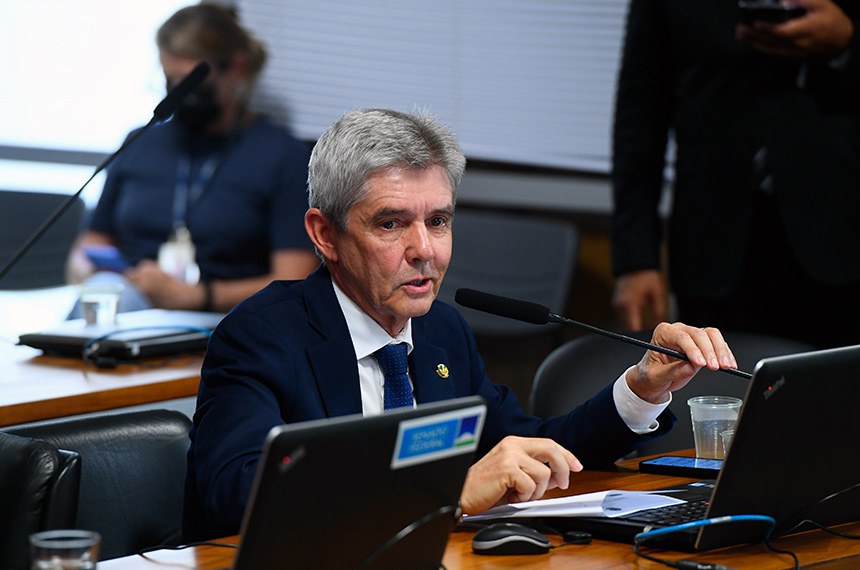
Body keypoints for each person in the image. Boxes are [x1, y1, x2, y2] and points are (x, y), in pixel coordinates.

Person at [182, 108, 739, 542]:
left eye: (439, 221)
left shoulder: (440, 331)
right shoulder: (260, 337)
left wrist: (641, 388)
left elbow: (533, 449)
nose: (424, 250)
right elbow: (239, 496)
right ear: (324, 234)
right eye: (391, 223)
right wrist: (446, 495)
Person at [610, 0, 860, 349]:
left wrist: (848, 43)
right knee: (713, 393)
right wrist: (636, 258)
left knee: (836, 397)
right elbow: (639, 114)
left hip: (842, 234)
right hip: (712, 238)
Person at [67, 3, 318, 315]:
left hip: (218, 319)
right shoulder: (140, 142)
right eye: (170, 81)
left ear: (235, 68)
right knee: (106, 296)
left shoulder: (282, 156)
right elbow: (86, 249)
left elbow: (294, 278)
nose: (179, 94)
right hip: (126, 304)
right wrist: (101, 276)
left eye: (190, 82)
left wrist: (195, 296)